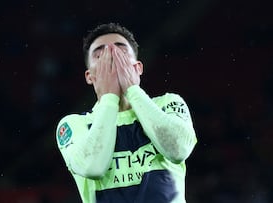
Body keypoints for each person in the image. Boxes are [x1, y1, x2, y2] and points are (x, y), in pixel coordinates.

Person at [56, 22, 197, 203]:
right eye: (101, 54)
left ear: (137, 68)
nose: (111, 57)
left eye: (121, 52)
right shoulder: (75, 124)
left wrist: (133, 90)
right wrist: (109, 98)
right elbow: (93, 167)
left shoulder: (168, 104)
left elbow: (178, 150)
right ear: (90, 76)